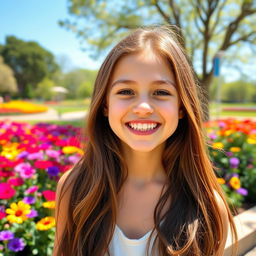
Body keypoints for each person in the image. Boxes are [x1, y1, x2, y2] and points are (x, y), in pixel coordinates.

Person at [53, 25, 237, 256]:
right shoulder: (75, 188)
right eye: (126, 92)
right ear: (105, 105)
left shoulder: (208, 207)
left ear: (181, 106)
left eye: (161, 92)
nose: (142, 108)